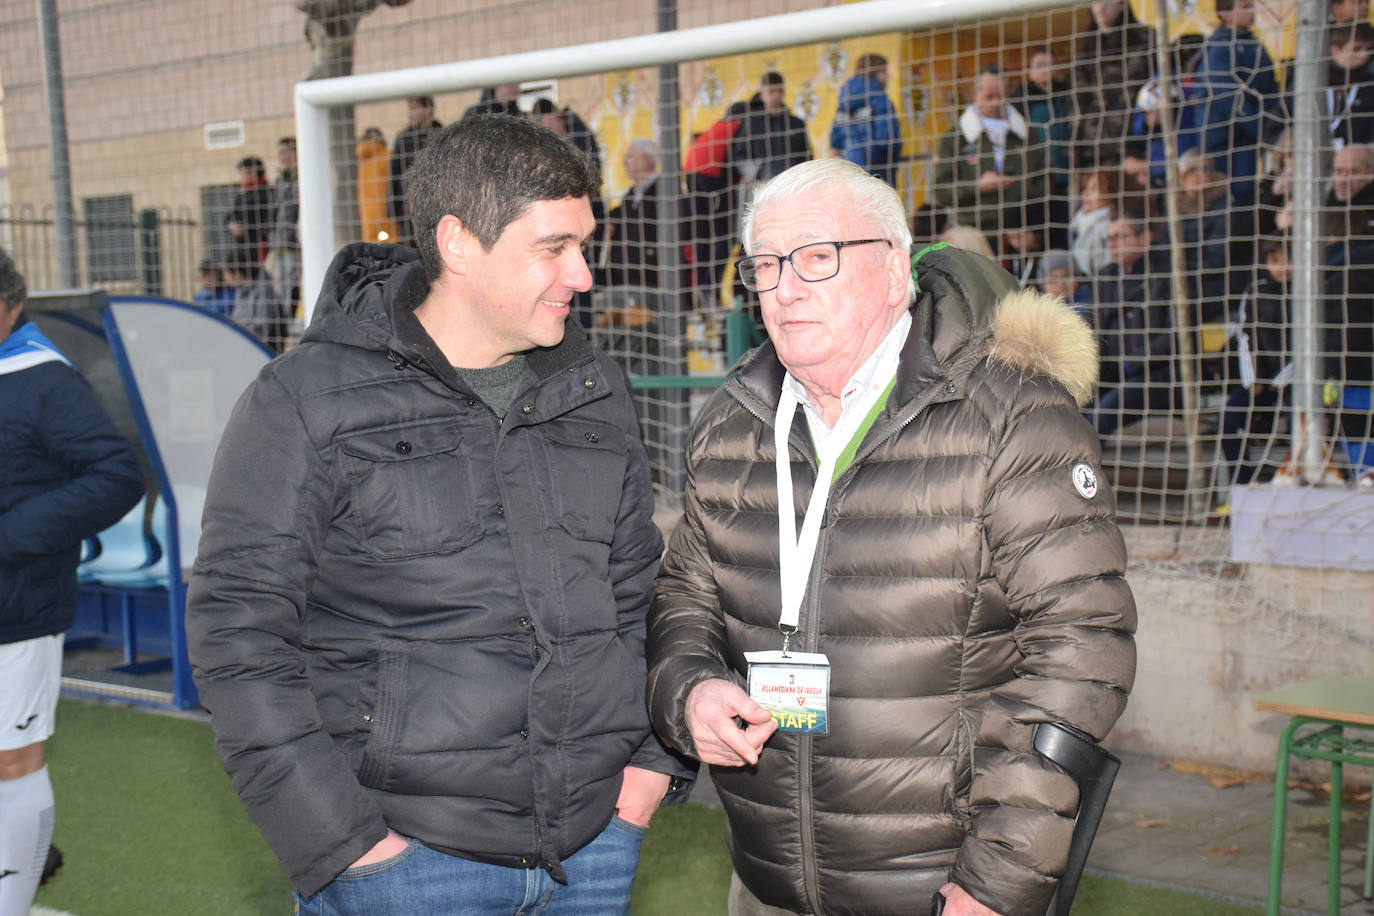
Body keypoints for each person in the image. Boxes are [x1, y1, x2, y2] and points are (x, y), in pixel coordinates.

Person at [185, 113, 692, 915]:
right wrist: (346, 847)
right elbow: (238, 636)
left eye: (583, 244)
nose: (584, 274)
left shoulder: (594, 390)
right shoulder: (304, 399)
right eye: (553, 247)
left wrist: (647, 775)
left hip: (594, 848)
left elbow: (638, 595)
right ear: (459, 244)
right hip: (403, 864)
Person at [645, 158, 1136, 916]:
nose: (785, 287)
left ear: (895, 267)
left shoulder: (1010, 415)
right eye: (766, 265)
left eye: (817, 257)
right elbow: (685, 590)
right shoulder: (732, 421)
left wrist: (997, 880)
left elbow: (1084, 648)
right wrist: (690, 689)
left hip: (942, 888)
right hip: (767, 880)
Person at [0, 248, 144, 916]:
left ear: (10, 306)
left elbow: (117, 475)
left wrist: (11, 536)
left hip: (16, 608)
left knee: (14, 759)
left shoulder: (44, 378)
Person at [932, 65, 1047, 247]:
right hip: (974, 234)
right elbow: (941, 192)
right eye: (989, 96)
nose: (996, 103)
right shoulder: (955, 138)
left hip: (1021, 234)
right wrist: (976, 187)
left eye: (1001, 96)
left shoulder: (1027, 135)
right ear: (975, 95)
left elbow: (1045, 181)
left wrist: (1017, 193)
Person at [1089, 212, 1180, 436]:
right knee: (1070, 411)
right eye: (1109, 239)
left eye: (1120, 237)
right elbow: (1094, 324)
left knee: (1101, 418)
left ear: (1145, 237)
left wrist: (1131, 364)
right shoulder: (1106, 276)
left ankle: (1086, 471)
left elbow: (1176, 336)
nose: (1112, 244)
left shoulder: (1168, 274)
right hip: (1110, 372)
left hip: (1157, 375)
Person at [1193, 0, 1288, 206]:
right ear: (1225, 14)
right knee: (1218, 192)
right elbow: (1227, 96)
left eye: (1251, 6)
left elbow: (1270, 87)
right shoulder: (1218, 49)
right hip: (1220, 137)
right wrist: (1258, 125)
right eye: (1244, 7)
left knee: (1245, 190)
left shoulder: (1256, 46)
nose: (1251, 12)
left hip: (1248, 136)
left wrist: (1271, 122)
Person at [1009, 47, 1076, 246]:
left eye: (1049, 64)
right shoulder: (1021, 97)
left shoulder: (1066, 94)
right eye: (1039, 66)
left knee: (1064, 222)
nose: (1045, 70)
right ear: (1030, 72)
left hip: (1065, 171)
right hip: (1036, 175)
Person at [829, 53, 903, 185]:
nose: (889, 76)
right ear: (877, 72)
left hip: (850, 171)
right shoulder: (880, 99)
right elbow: (888, 138)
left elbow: (835, 140)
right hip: (878, 171)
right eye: (885, 71)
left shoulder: (844, 101)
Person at [732, 71, 813, 185]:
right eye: (771, 92)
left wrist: (799, 177)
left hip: (792, 185)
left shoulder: (796, 124)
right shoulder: (751, 124)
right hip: (761, 186)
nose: (776, 96)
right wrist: (757, 174)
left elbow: (807, 157)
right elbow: (740, 156)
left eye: (780, 91)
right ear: (761, 94)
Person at [388, 96, 443, 246]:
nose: (410, 114)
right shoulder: (403, 138)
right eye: (409, 110)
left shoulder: (440, 135)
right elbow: (393, 173)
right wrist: (393, 209)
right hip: (407, 209)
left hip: (435, 205)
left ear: (428, 110)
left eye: (414, 109)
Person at [270, 137, 301, 313]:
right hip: (279, 239)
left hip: (294, 238)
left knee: (293, 279)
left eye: (283, 152)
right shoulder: (280, 179)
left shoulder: (301, 176)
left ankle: (292, 315)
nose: (280, 156)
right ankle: (284, 316)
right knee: (282, 280)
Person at [225, 156, 274, 265]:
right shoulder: (242, 193)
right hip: (241, 246)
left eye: (242, 173)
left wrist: (243, 227)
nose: (240, 177)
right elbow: (230, 216)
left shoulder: (267, 193)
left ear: (253, 173)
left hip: (258, 245)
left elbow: (266, 219)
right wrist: (230, 225)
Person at [355, 127, 397, 243]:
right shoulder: (388, 156)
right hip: (386, 209)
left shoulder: (360, 158)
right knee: (391, 245)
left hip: (367, 210)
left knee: (371, 245)